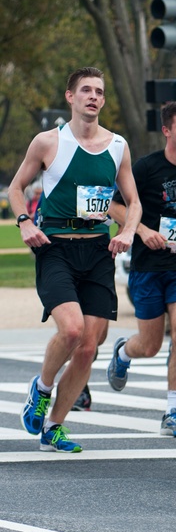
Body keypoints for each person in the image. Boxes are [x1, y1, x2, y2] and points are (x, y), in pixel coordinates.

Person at [11, 66, 141, 452]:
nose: (93, 97)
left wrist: (129, 231)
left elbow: (133, 202)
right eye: (86, 90)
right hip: (56, 248)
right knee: (71, 330)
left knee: (89, 345)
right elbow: (17, 188)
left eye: (99, 91)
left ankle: (54, 427)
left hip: (98, 250)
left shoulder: (117, 145)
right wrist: (24, 222)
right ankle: (42, 388)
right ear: (71, 97)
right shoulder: (48, 142)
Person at [105, 99, 176, 438]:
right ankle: (124, 351)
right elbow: (114, 206)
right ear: (167, 130)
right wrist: (141, 230)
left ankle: (172, 411)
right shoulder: (145, 168)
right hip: (147, 265)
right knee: (150, 346)